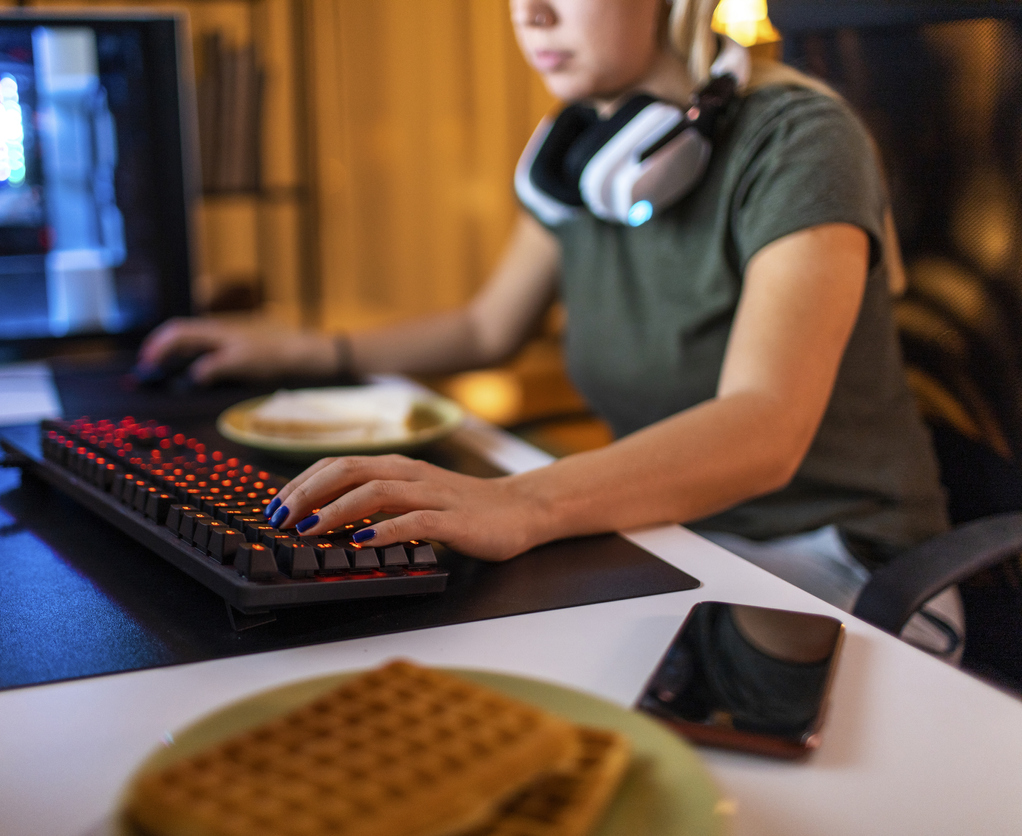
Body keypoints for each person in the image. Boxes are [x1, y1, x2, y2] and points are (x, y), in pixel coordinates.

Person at [139, 0, 960, 655]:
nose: (529, 14)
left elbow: (767, 426)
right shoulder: (585, 159)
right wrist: (300, 350)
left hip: (844, 565)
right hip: (680, 539)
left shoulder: (800, 141)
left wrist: (521, 503)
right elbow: (485, 327)